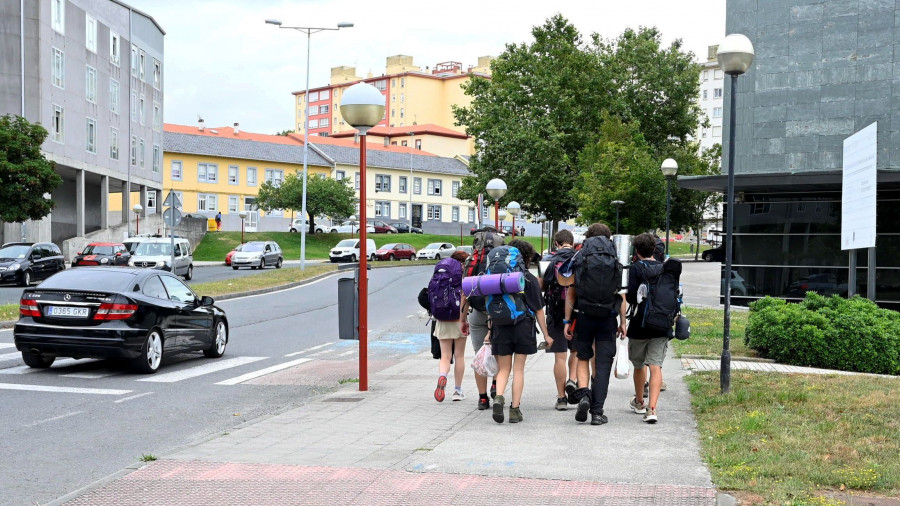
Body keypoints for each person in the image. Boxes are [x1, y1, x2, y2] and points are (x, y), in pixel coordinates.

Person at [563, 223, 627, 426]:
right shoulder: (616, 255)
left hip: (584, 315)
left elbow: (571, 293)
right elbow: (621, 295)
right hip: (608, 316)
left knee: (583, 357)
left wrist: (567, 321)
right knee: (603, 364)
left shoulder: (581, 255)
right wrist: (623, 322)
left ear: (588, 237)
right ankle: (597, 413)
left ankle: (583, 394)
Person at [491, 240, 552, 424]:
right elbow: (539, 310)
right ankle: (515, 410)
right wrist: (547, 335)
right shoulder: (529, 279)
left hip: (500, 326)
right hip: (523, 326)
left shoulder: (497, 279)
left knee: (503, 369)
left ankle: (499, 397)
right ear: (527, 257)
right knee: (518, 369)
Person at [626, 233, 670, 423]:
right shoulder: (665, 269)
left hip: (639, 324)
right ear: (655, 250)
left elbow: (630, 298)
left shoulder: (635, 268)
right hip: (661, 324)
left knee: (638, 365)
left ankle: (639, 401)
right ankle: (652, 410)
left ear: (636, 251)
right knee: (655, 366)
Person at [460, 227, 503, 410]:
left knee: (480, 355)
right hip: (499, 314)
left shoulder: (471, 261)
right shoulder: (501, 260)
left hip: (477, 313)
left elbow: (465, 293)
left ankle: (482, 398)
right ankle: (496, 385)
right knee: (500, 354)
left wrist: (462, 319)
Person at [539, 229, 579, 410]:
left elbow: (541, 286)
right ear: (572, 242)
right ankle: (573, 379)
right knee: (577, 352)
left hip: (555, 312)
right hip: (577, 312)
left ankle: (562, 398)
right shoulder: (580, 257)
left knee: (560, 357)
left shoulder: (548, 260)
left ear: (556, 243)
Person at [433, 250, 470, 402]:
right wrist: (464, 319)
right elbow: (465, 297)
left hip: (442, 319)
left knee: (445, 356)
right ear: (463, 263)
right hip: (458, 319)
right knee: (459, 355)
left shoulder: (442, 273)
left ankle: (442, 377)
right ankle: (457, 391)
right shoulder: (463, 276)